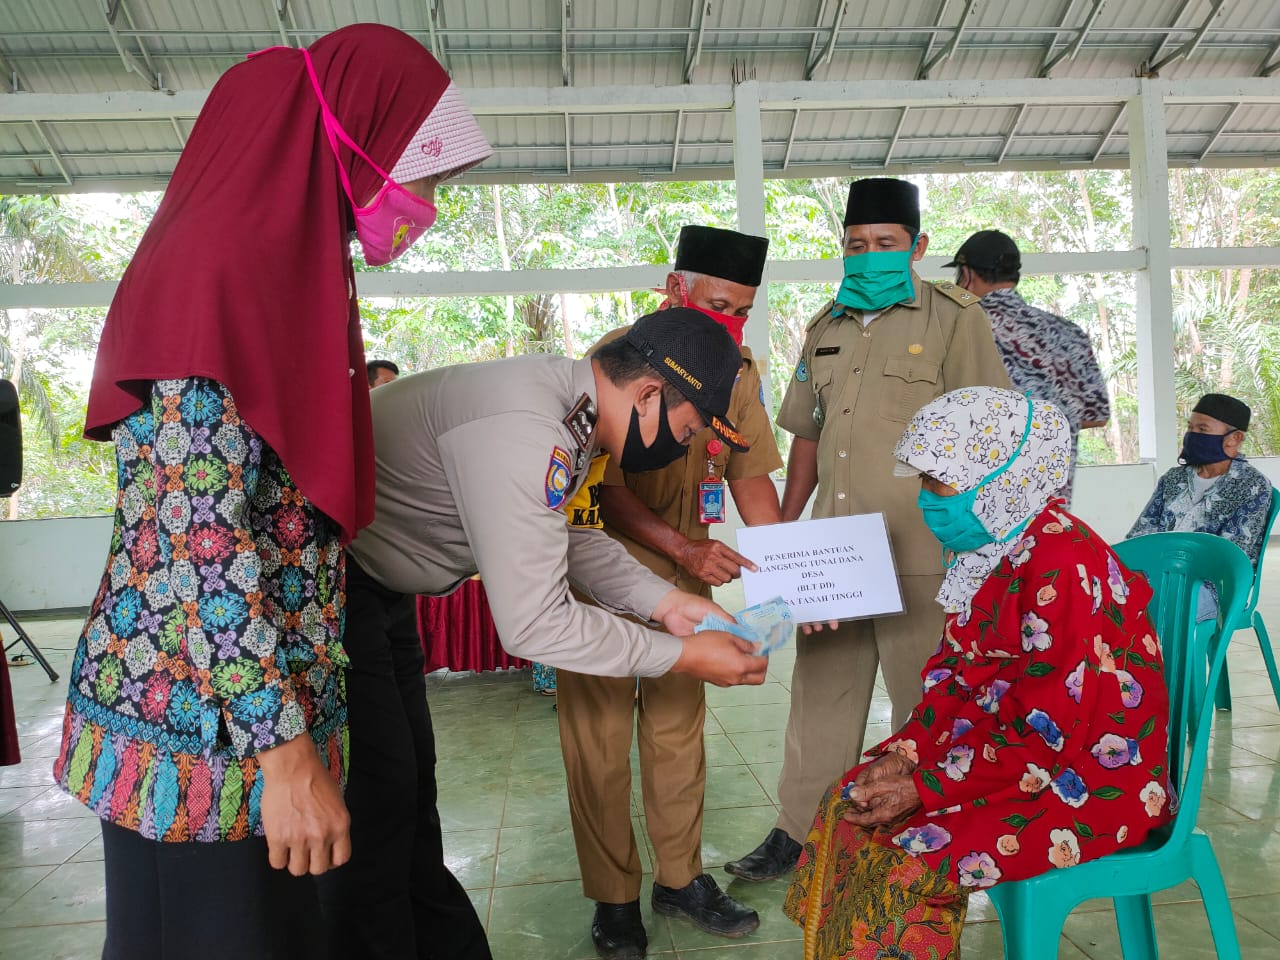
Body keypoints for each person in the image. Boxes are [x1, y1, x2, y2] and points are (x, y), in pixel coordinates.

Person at [53, 24, 487, 959]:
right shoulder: (211, 275)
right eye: (419, 170)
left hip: (251, 722)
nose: (424, 204)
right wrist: (283, 755)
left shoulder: (284, 272)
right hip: (198, 733)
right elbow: (196, 544)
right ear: (349, 138)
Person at [324, 307, 771, 960]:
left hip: (376, 586)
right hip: (329, 586)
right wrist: (680, 654)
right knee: (380, 803)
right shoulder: (531, 429)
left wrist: (669, 602)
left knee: (410, 787)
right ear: (648, 393)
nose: (681, 448)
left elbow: (565, 536)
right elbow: (535, 622)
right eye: (686, 429)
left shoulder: (567, 409)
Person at [784, 386, 1173, 960]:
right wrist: (909, 754)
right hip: (1008, 756)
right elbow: (955, 680)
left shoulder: (1061, 563)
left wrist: (927, 787)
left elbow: (1050, 734)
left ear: (1003, 475)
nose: (926, 500)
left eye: (939, 481)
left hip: (1086, 779)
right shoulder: (987, 553)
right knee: (849, 803)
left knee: (908, 859)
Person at [727, 177, 1012, 883]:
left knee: (924, 697)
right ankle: (799, 834)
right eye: (857, 245)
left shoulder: (955, 318)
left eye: (886, 244)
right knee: (820, 695)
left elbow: (986, 430)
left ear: (916, 248)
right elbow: (806, 440)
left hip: (921, 546)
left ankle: (927, 826)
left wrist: (973, 538)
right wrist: (783, 535)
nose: (869, 255)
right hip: (833, 551)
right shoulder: (825, 326)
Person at [556, 226, 783, 957]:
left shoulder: (738, 373)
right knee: (598, 744)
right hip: (603, 578)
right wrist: (681, 544)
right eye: (720, 304)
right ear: (675, 287)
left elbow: (750, 479)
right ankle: (614, 897)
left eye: (743, 310)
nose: (731, 323)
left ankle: (679, 880)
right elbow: (606, 487)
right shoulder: (618, 362)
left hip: (691, 584)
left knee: (679, 738)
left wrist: (796, 574)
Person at [948, 229, 1110, 504]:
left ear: (967, 275)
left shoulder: (958, 330)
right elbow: (1097, 415)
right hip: (1049, 509)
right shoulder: (1068, 332)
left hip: (979, 505)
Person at [1127, 393, 1271, 621]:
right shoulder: (1173, 479)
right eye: (1190, 427)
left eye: (1202, 429)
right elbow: (1140, 534)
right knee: (1100, 597)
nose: (1192, 435)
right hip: (1157, 575)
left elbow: (1229, 556)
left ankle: (1166, 656)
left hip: (1213, 587)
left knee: (1161, 609)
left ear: (1234, 438)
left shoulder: (1252, 486)